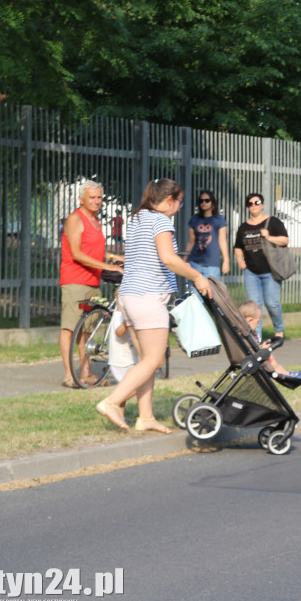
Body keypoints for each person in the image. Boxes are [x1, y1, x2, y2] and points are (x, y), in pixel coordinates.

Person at [96, 178, 211, 434]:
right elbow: (169, 259)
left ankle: (145, 416)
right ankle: (112, 402)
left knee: (148, 360)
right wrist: (197, 276)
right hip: (148, 296)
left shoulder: (138, 218)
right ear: (169, 199)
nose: (180, 207)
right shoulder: (160, 221)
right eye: (180, 202)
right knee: (154, 359)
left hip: (129, 295)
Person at [59, 180, 123, 388]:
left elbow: (91, 249)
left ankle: (86, 373)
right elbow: (77, 253)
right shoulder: (75, 219)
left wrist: (113, 257)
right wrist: (108, 266)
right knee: (70, 327)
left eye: (99, 197)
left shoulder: (94, 220)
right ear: (81, 199)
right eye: (92, 197)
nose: (96, 201)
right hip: (75, 280)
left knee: (87, 330)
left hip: (92, 280)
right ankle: (70, 375)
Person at [234, 193, 288, 340]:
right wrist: (240, 259)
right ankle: (256, 336)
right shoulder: (244, 227)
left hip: (270, 270)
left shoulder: (273, 222)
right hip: (251, 272)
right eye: (250, 203)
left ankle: (279, 331)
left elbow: (285, 240)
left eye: (257, 202)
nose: (254, 206)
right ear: (248, 207)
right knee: (254, 306)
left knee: (272, 303)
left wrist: (269, 237)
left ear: (262, 204)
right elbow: (238, 246)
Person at [238, 300, 301, 379]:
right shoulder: (246, 335)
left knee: (273, 360)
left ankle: (286, 373)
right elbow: (252, 350)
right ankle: (286, 375)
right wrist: (263, 349)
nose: (258, 325)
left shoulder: (244, 333)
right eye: (258, 322)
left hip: (255, 357)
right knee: (272, 361)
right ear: (250, 320)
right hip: (255, 359)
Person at [184, 189, 230, 290]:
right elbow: (191, 241)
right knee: (195, 295)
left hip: (212, 263)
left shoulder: (219, 219)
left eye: (207, 200)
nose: (204, 203)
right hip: (195, 262)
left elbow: (222, 241)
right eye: (201, 201)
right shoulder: (194, 219)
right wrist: (184, 260)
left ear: (212, 201)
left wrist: (226, 260)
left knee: (213, 295)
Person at [108, 305, 138, 384]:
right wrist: (127, 320)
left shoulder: (121, 315)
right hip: (123, 363)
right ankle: (114, 397)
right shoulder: (119, 315)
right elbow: (119, 332)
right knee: (135, 387)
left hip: (128, 361)